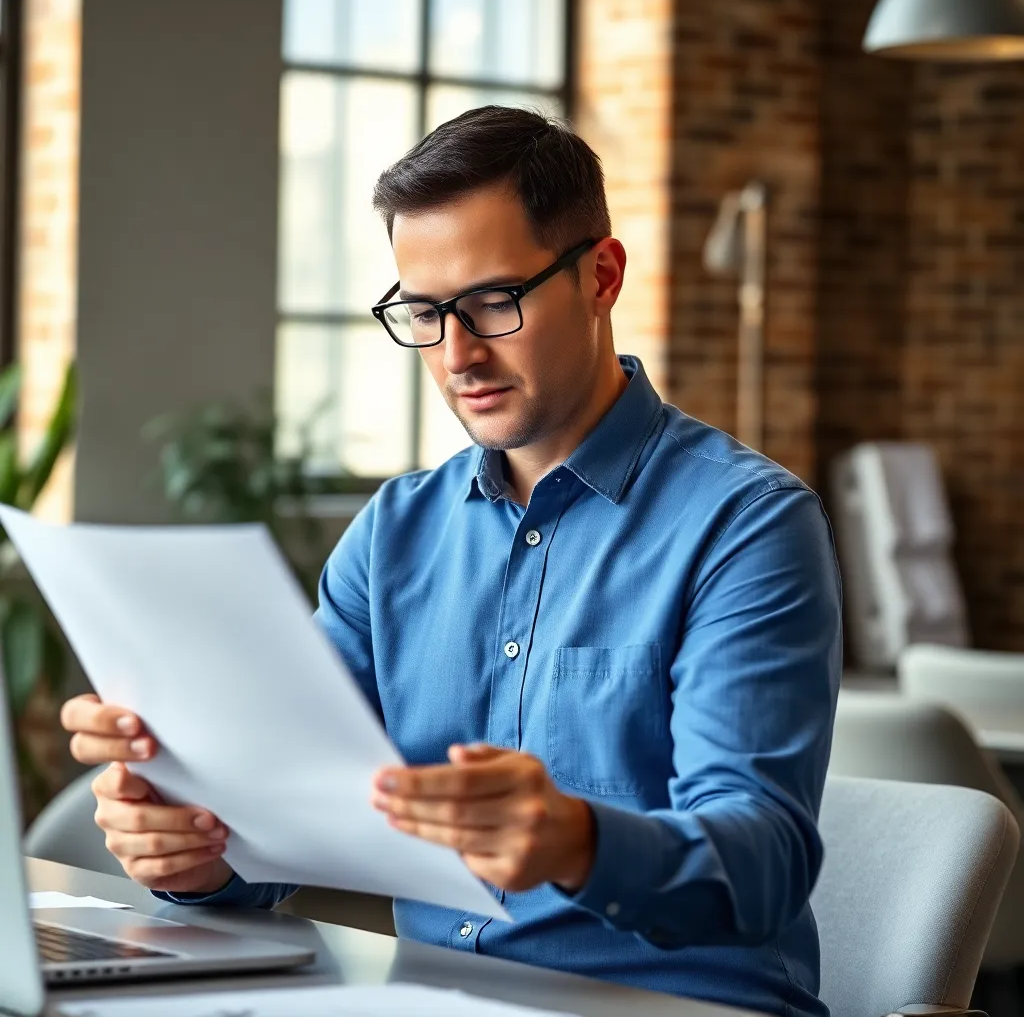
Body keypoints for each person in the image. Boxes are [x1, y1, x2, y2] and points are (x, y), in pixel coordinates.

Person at [60, 106, 842, 1017]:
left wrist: (578, 842)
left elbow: (763, 865)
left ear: (602, 275)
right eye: (424, 312)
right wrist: (200, 853)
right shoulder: (393, 533)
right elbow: (290, 820)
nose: (458, 354)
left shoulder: (748, 525)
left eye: (493, 302)